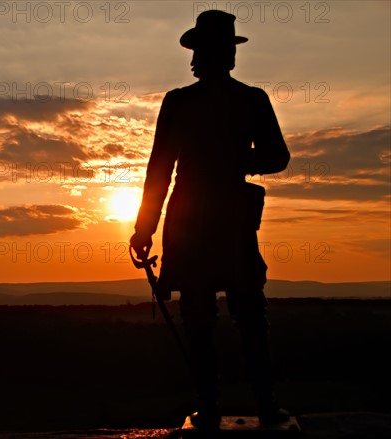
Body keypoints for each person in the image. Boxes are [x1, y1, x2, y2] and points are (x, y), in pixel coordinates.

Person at [130, 10, 291, 430]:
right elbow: (160, 169)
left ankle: (229, 404)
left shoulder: (189, 102)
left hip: (206, 219)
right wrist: (144, 227)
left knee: (235, 313)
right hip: (219, 218)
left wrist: (145, 227)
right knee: (236, 314)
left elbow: (159, 171)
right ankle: (242, 404)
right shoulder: (242, 100)